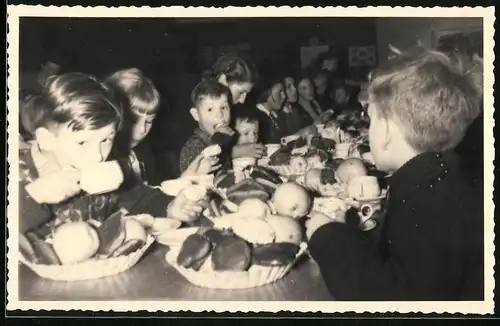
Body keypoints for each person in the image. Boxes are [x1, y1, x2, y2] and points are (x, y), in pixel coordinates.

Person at [305, 46, 483, 300]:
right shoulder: (440, 177)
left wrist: (326, 236)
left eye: (371, 119)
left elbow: (393, 298)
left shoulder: (428, 203)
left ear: (387, 131)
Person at [19, 72, 203, 236]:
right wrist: (34, 197)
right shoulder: (18, 173)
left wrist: (169, 207)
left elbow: (138, 198)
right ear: (46, 139)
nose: (98, 156)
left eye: (106, 140)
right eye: (83, 142)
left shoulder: (100, 170)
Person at [104, 68, 163, 187]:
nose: (142, 130)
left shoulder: (144, 154)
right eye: (133, 120)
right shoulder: (106, 160)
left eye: (149, 121)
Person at [204, 53, 266, 161]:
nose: (242, 100)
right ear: (223, 80)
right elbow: (199, 153)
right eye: (241, 92)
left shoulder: (229, 110)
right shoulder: (203, 108)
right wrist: (238, 151)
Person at [179, 79, 235, 174]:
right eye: (210, 109)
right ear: (196, 115)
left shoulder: (224, 139)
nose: (220, 115)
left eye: (224, 107)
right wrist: (218, 141)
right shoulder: (194, 146)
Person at [253, 75, 288, 144]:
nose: (284, 96)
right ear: (266, 93)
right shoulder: (256, 118)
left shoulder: (275, 114)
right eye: (280, 92)